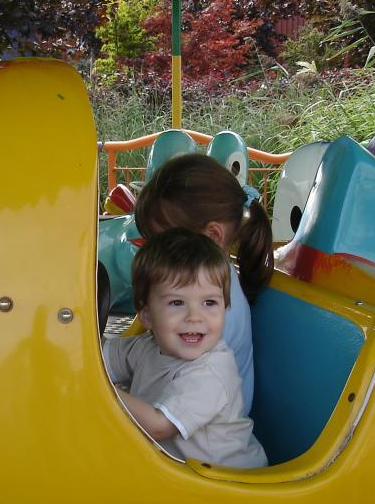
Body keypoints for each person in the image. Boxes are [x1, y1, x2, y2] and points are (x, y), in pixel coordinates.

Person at [104, 228, 268, 470]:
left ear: (225, 307)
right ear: (147, 314)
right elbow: (98, 357)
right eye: (177, 303)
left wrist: (101, 386)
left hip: (229, 483)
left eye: (209, 302)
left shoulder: (212, 371)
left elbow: (159, 426)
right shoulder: (147, 346)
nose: (194, 317)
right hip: (177, 474)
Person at [133, 153, 274, 416]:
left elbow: (172, 412)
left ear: (211, 236)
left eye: (162, 241)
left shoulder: (209, 312)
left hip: (203, 437)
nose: (154, 254)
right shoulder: (198, 285)